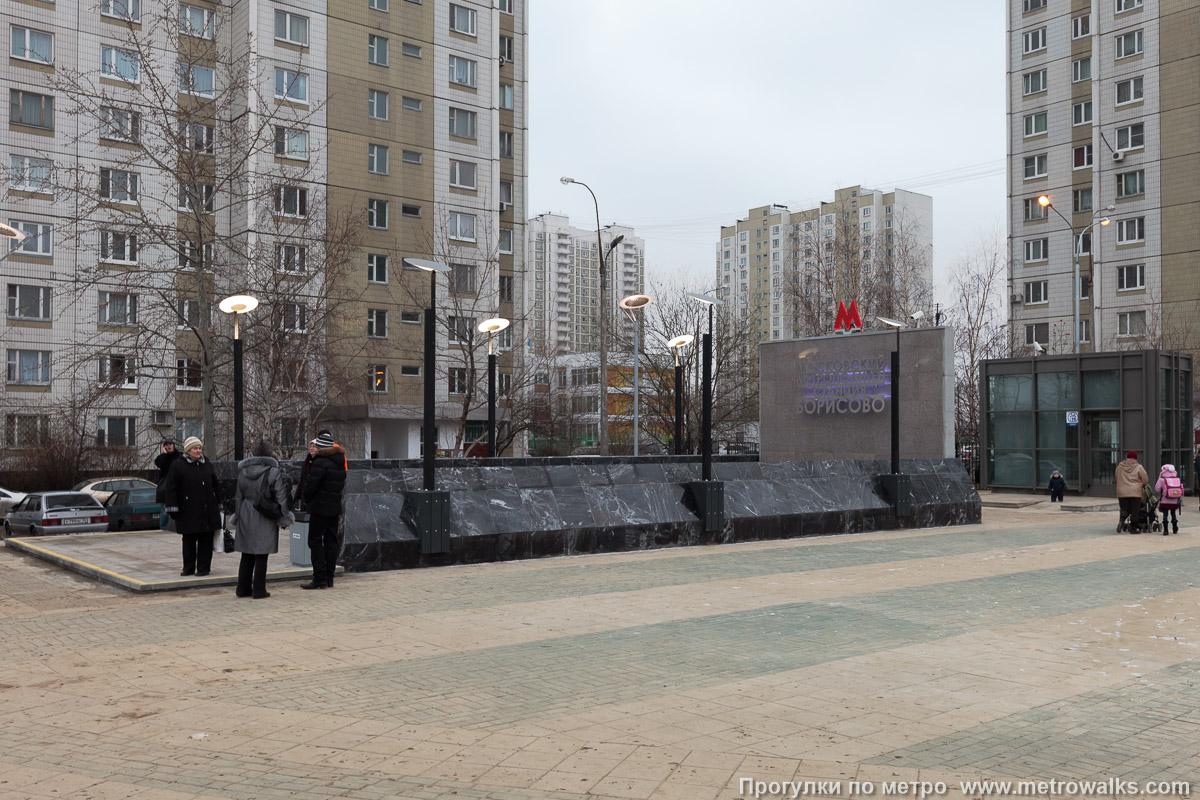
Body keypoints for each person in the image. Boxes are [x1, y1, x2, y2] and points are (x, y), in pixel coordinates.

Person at [230, 441, 294, 598]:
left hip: (245, 512)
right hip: (265, 514)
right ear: (269, 454)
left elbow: (238, 497)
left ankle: (242, 589)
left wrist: (238, 516)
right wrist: (283, 518)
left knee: (246, 554)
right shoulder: (273, 472)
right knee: (261, 554)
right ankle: (259, 590)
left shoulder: (243, 471)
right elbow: (281, 498)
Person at [162, 437, 223, 576]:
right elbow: (171, 489)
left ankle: (203, 568)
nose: (198, 451)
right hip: (187, 510)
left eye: (200, 448)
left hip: (208, 510)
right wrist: (173, 508)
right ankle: (188, 568)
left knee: (206, 540)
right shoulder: (178, 465)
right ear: (188, 450)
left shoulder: (206, 463)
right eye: (195, 448)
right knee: (189, 540)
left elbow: (215, 485)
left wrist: (219, 503)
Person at [301, 431, 346, 590]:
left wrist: (306, 499)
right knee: (331, 542)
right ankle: (329, 577)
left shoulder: (320, 462)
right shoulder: (340, 462)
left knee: (314, 541)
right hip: (334, 509)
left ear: (321, 447)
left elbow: (311, 485)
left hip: (319, 509)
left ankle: (319, 578)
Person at [1115, 450, 1149, 534]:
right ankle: (1133, 529)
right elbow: (1145, 480)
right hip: (1135, 492)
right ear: (1135, 458)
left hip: (1122, 492)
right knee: (1135, 510)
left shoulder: (1120, 466)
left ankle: (1121, 522)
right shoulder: (1139, 467)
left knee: (1124, 508)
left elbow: (1116, 477)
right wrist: (1142, 484)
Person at [154, 437, 182, 530]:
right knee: (165, 511)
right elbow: (159, 464)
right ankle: (164, 528)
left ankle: (177, 526)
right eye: (166, 445)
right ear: (164, 447)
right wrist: (165, 455)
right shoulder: (162, 458)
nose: (169, 446)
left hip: (177, 485)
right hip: (165, 487)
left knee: (178, 508)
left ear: (173, 445)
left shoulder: (179, 456)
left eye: (170, 444)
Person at [1154, 463, 1183, 536]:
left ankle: (1166, 530)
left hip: (1164, 501)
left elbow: (1157, 489)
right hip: (1175, 501)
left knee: (1165, 515)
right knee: (1173, 514)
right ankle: (1175, 527)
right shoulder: (1176, 479)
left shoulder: (1162, 479)